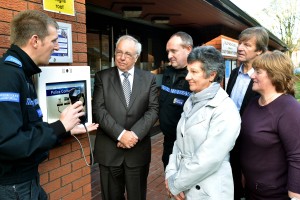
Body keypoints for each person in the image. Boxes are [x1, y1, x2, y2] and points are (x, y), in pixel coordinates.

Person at [0, 10, 98, 200]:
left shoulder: (23, 73)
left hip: (26, 182)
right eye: (54, 40)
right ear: (35, 40)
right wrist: (60, 126)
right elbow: (8, 143)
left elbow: (28, 129)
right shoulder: (8, 76)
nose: (57, 46)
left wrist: (65, 130)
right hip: (13, 187)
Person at [165, 46, 241, 199]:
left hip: (208, 191)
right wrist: (170, 174)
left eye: (194, 72)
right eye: (188, 71)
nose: (187, 77)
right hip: (183, 186)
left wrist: (176, 183)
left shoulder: (225, 109)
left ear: (211, 75)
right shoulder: (192, 100)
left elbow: (208, 159)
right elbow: (178, 142)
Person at [92, 35, 159, 200]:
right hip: (109, 150)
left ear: (136, 57)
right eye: (118, 52)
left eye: (128, 54)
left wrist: (134, 135)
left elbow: (153, 109)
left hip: (137, 152)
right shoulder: (102, 77)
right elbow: (98, 110)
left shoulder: (149, 78)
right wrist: (121, 134)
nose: (122, 57)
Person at [240, 51, 300, 200]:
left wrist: (295, 195)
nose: (252, 75)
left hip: (275, 195)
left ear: (274, 75)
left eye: (258, 72)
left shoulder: (289, 109)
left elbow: (297, 156)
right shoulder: (253, 103)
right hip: (252, 190)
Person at [226, 26, 269, 200]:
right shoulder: (235, 73)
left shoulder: (264, 78)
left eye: (247, 45)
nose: (240, 48)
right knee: (232, 177)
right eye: (240, 43)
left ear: (259, 51)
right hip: (230, 137)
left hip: (252, 142)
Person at [159, 31, 193, 169]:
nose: (169, 56)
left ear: (188, 49)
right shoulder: (168, 72)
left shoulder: (196, 76)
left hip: (187, 146)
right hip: (168, 141)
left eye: (174, 51)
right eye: (168, 51)